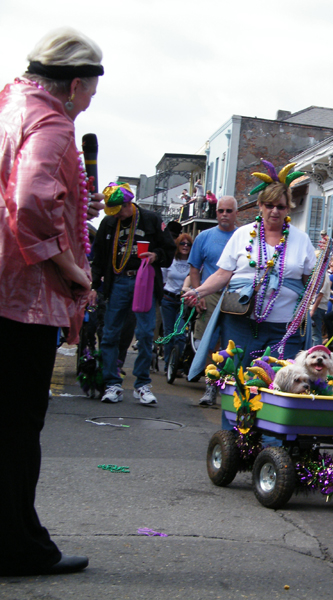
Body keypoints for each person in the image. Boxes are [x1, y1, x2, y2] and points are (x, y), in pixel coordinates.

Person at [0, 26, 106, 576]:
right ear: (75, 84)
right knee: (18, 427)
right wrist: (73, 270)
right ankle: (17, 546)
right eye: (90, 93)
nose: (88, 104)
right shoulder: (53, 121)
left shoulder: (9, 106)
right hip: (20, 296)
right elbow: (30, 201)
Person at [184, 163, 316, 381]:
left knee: (280, 382)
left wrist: (317, 279)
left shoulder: (301, 239)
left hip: (284, 327)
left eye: (281, 206)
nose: (275, 211)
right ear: (260, 205)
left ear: (288, 208)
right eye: (269, 205)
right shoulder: (243, 235)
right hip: (240, 322)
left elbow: (309, 283)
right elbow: (222, 274)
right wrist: (198, 292)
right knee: (236, 378)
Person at [92, 183, 176, 405]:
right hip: (117, 280)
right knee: (110, 333)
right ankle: (112, 383)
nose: (116, 215)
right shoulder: (109, 223)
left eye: (118, 210)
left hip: (144, 280)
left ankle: (142, 384)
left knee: (146, 333)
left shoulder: (151, 219)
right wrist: (93, 286)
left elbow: (169, 250)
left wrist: (155, 255)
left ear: (128, 204)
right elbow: (98, 256)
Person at [187, 195, 238, 406]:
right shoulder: (204, 237)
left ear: (236, 213)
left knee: (232, 344)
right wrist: (198, 293)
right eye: (220, 211)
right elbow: (194, 268)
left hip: (236, 296)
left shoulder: (243, 236)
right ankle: (210, 387)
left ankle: (229, 388)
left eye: (228, 211)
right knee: (208, 343)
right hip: (211, 294)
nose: (224, 214)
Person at [160, 233, 193, 371]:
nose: (185, 246)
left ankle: (177, 364)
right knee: (168, 333)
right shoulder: (170, 260)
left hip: (184, 301)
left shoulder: (193, 262)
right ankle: (168, 364)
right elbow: (162, 279)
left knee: (180, 334)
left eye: (188, 244)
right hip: (168, 299)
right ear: (177, 245)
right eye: (182, 243)